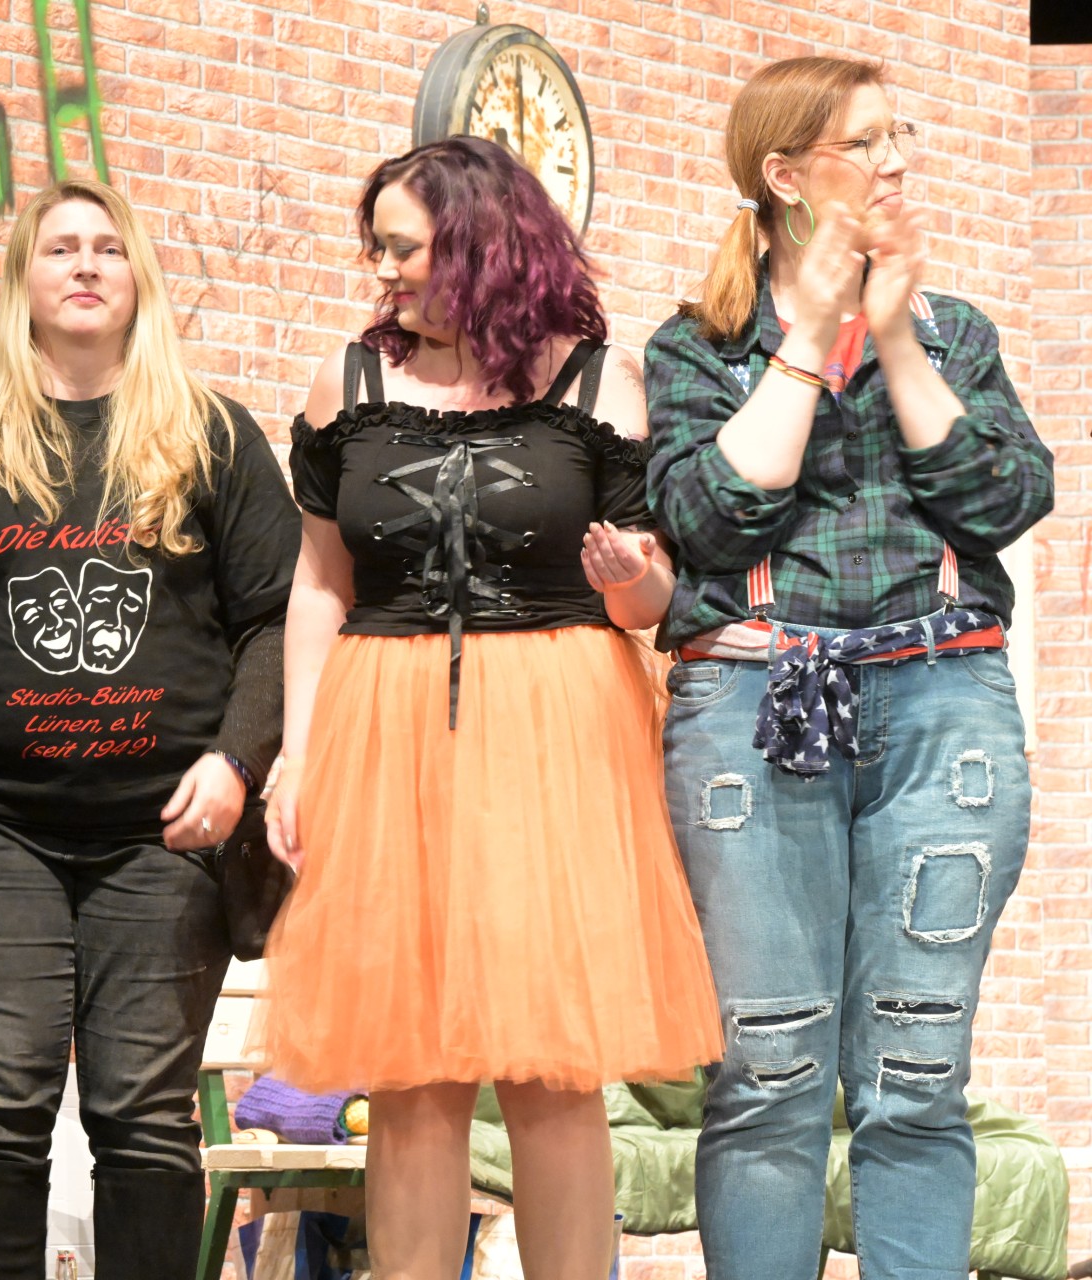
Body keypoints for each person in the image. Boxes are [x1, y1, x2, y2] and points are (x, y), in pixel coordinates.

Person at [257, 137, 721, 1280]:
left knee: (553, 1072)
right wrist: (295, 754)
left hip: (556, 737)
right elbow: (319, 584)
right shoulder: (347, 383)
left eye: (405, 248)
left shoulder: (601, 383)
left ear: (482, 245)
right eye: (377, 248)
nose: (383, 270)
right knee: (409, 1075)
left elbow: (649, 601)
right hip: (385, 731)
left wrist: (636, 579)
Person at [0, 177, 300, 1279]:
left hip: (164, 830)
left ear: (139, 279)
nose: (85, 264)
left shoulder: (213, 436)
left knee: (145, 1116)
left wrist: (236, 761)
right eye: (59, 248)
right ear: (22, 281)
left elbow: (276, 623)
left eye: (107, 248)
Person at [645, 57, 1054, 1280]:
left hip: (942, 704)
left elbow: (1006, 498)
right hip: (756, 704)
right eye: (866, 142)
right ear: (786, 175)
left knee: (917, 1075)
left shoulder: (954, 332)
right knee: (771, 1069)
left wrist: (894, 337)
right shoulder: (701, 346)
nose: (898, 161)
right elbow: (708, 522)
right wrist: (812, 337)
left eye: (899, 134)